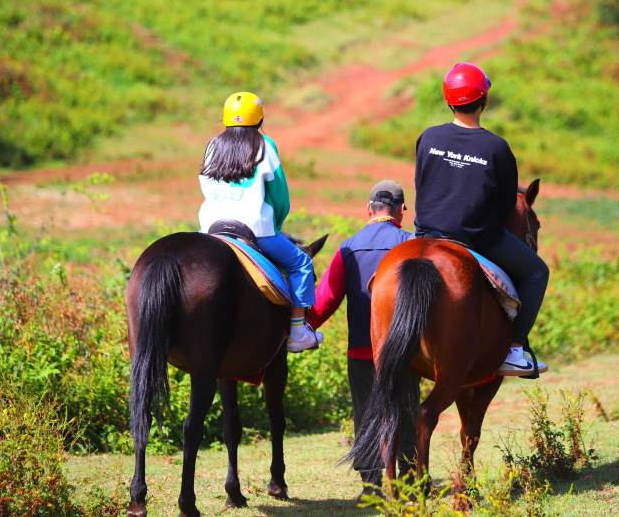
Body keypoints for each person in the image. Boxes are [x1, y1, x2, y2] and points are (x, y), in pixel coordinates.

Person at [413, 63, 549, 376]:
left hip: (425, 235)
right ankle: (514, 350)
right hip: (476, 237)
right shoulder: (497, 148)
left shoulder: (428, 137)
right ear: (484, 101)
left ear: (448, 101)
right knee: (538, 272)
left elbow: (423, 184)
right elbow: (504, 207)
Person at [307, 180, 419, 497]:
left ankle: (371, 487)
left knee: (367, 414)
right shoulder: (411, 245)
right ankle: (409, 485)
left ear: (369, 209)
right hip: (405, 350)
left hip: (361, 349)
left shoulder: (349, 247)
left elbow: (325, 300)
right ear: (400, 211)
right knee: (407, 410)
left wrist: (304, 327)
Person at [198, 91, 323, 352]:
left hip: (211, 227)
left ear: (225, 120)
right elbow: (279, 193)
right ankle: (298, 332)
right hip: (255, 228)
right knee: (301, 263)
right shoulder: (265, 145)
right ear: (260, 119)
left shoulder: (213, 145)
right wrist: (274, 224)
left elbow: (205, 184)